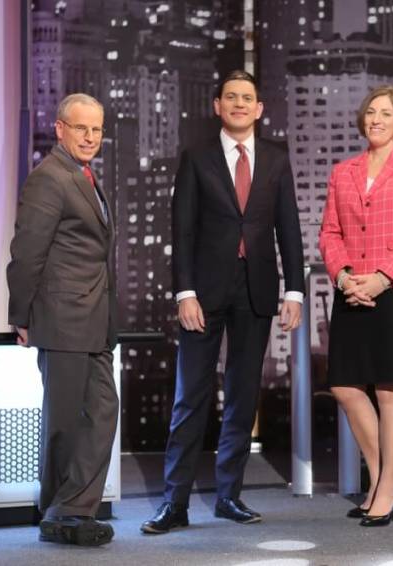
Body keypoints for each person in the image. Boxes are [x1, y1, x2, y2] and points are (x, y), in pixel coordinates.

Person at [141, 70, 305, 535]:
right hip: (204, 293)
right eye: (230, 97)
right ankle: (174, 503)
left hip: (255, 289)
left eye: (247, 98)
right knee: (190, 396)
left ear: (259, 108)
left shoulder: (276, 157)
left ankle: (229, 495)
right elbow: (183, 230)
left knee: (241, 396)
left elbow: (288, 228)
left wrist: (294, 290)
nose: (238, 104)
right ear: (217, 105)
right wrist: (185, 292)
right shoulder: (196, 157)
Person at [319, 85, 393, 527]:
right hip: (352, 286)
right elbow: (330, 232)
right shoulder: (343, 171)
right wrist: (345, 275)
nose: (376, 119)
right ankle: (385, 477)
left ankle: (386, 487)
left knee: (391, 388)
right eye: (370, 112)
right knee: (347, 387)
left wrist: (382, 278)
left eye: (385, 113)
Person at [7, 93, 117, 546]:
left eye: (96, 129)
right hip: (63, 317)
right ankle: (62, 510)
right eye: (81, 128)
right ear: (59, 129)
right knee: (66, 419)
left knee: (100, 412)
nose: (90, 136)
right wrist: (21, 315)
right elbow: (26, 253)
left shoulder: (84, 175)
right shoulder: (49, 178)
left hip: (92, 318)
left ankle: (66, 508)